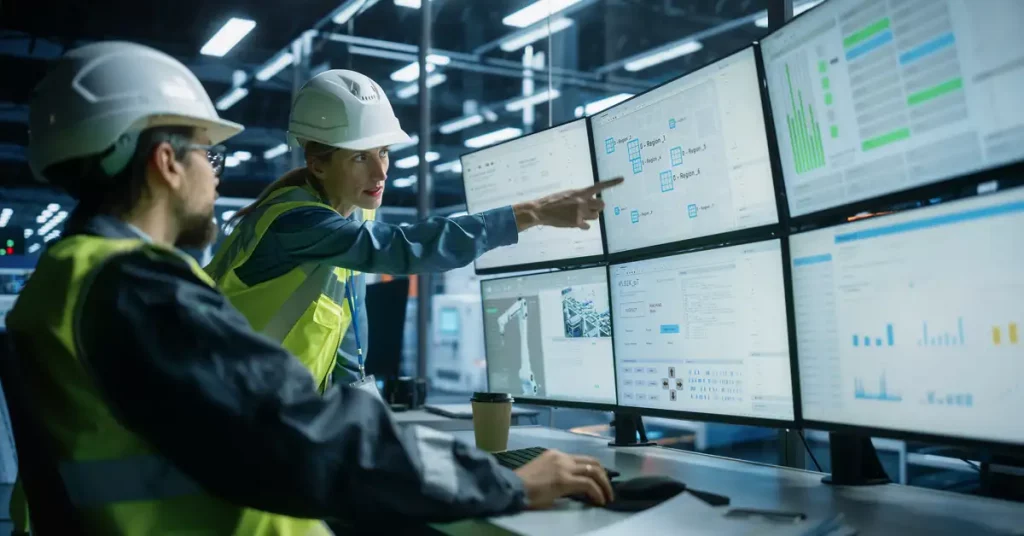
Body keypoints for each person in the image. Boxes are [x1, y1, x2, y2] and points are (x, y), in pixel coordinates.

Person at [6, 41, 613, 535]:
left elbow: (321, 373)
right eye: (208, 158)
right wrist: (503, 482)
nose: (216, 176)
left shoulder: (76, 277)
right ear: (167, 163)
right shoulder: (135, 289)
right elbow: (289, 432)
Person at [205, 68, 622, 391]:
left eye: (384, 152)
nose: (380, 170)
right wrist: (532, 213)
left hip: (280, 412)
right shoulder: (295, 222)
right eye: (359, 158)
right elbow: (406, 247)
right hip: (235, 406)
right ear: (318, 165)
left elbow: (346, 326)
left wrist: (358, 405)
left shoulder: (353, 213)